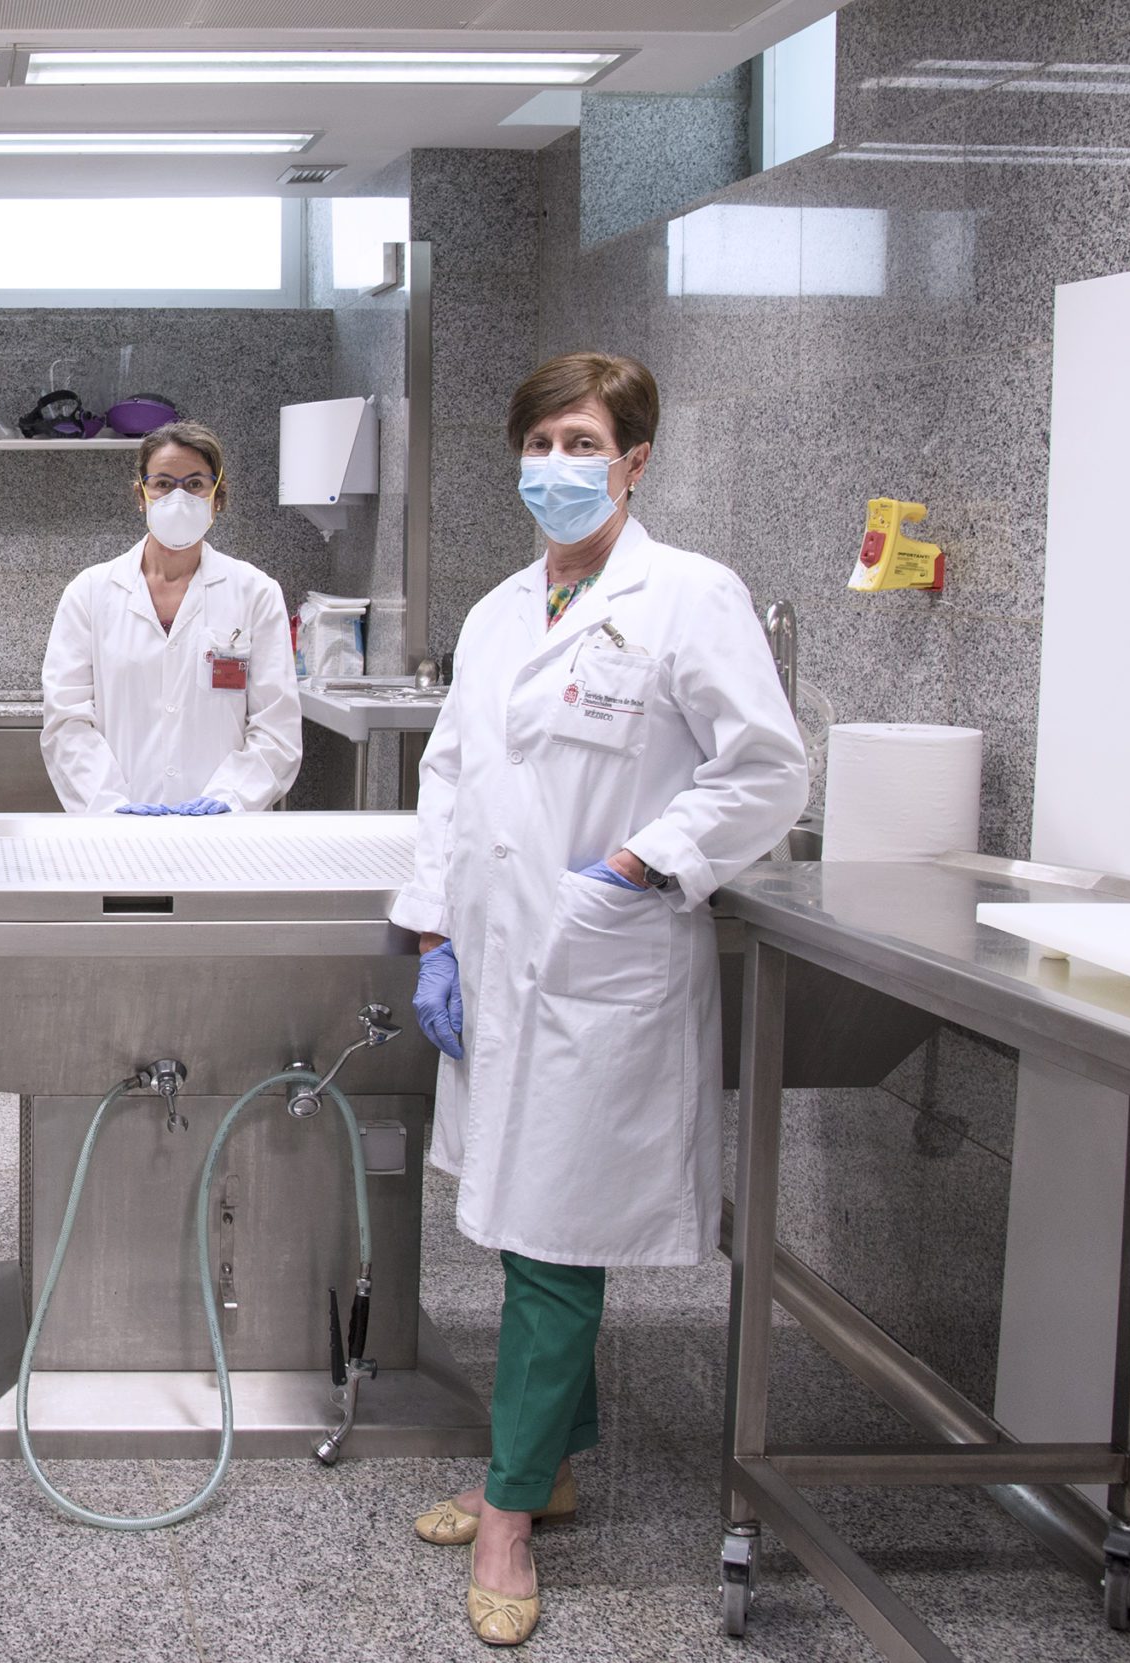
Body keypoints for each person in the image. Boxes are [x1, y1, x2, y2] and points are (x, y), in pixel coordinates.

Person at [392, 352, 807, 1645]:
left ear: (635, 460)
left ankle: (510, 1514)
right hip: (499, 961)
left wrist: (638, 864)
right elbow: (450, 775)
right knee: (525, 1229)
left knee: (555, 1244)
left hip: (599, 959)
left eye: (582, 443)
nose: (556, 467)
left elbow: (766, 771)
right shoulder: (499, 610)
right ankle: (553, 1462)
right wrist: (436, 932)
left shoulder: (688, 597)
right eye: (539, 443)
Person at [40, 420, 301, 814]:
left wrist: (230, 798)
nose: (178, 498)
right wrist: (108, 804)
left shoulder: (255, 593)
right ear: (141, 495)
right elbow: (67, 722)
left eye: (195, 484)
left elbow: (276, 727)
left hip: (221, 830)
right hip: (117, 827)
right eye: (163, 483)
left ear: (217, 496)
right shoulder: (90, 592)